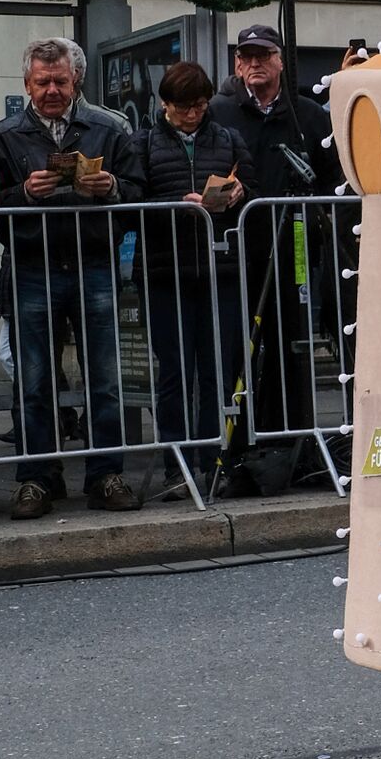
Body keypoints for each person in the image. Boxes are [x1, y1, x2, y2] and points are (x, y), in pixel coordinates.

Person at [0, 38, 144, 518]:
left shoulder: (109, 128)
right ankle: (36, 478)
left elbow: (140, 193)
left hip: (94, 262)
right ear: (27, 84)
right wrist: (23, 193)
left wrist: (112, 186)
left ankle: (105, 475)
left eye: (59, 81)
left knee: (105, 379)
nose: (51, 90)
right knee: (33, 382)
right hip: (33, 266)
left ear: (76, 80)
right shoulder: (4, 136)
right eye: (42, 82)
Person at [211, 23, 330, 489]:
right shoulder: (220, 112)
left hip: (292, 249)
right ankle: (236, 448)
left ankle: (289, 444)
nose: (255, 63)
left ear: (281, 60)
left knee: (290, 348)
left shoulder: (307, 114)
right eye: (247, 56)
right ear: (237, 64)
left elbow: (331, 178)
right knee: (236, 351)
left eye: (263, 55)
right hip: (235, 251)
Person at [138, 62, 248, 493]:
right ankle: (177, 465)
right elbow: (131, 197)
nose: (192, 114)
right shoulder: (144, 143)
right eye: (183, 106)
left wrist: (240, 193)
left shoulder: (227, 138)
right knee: (175, 372)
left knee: (218, 370)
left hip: (219, 269)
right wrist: (174, 204)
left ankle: (215, 461)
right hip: (166, 271)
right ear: (165, 104)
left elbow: (253, 186)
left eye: (200, 105)